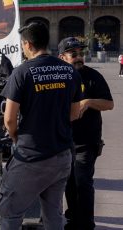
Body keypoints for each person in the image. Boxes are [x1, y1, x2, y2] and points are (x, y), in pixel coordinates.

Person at [0, 22, 82, 230]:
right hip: (62, 154)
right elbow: (74, 113)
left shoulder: (22, 72)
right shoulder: (69, 71)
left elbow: (9, 119)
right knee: (53, 214)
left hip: (32, 156)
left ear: (27, 44)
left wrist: (16, 137)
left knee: (9, 211)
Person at [58, 37, 114, 230]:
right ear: (62, 57)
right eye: (74, 54)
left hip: (86, 144)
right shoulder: (58, 78)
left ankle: (86, 224)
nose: (79, 57)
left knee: (83, 183)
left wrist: (88, 102)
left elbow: (109, 104)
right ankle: (73, 220)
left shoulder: (93, 76)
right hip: (63, 143)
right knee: (68, 185)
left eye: (81, 53)